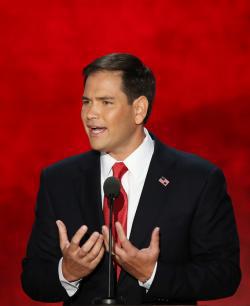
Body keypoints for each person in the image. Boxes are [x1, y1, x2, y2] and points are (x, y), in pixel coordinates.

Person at [21, 53, 241, 305]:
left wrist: (152, 274)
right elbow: (32, 278)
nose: (90, 113)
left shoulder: (198, 179)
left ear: (139, 109)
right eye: (86, 101)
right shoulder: (58, 180)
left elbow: (225, 275)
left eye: (105, 102)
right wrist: (67, 273)